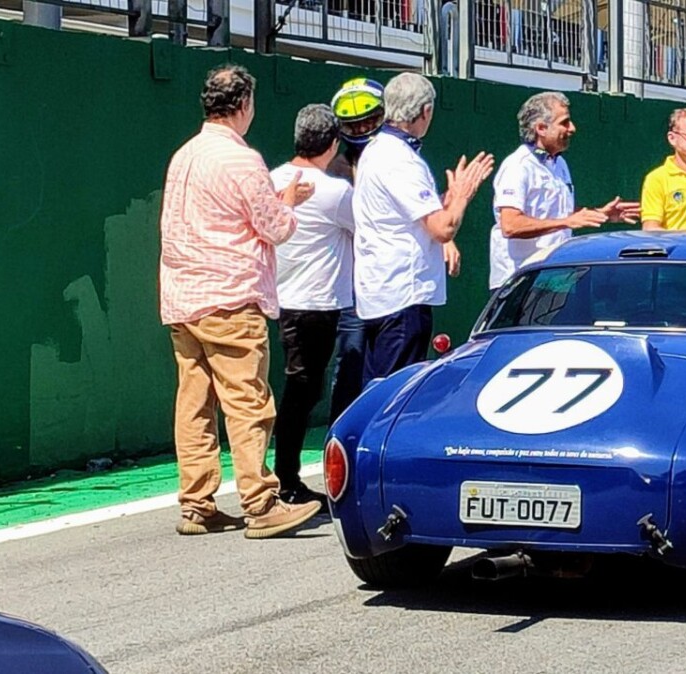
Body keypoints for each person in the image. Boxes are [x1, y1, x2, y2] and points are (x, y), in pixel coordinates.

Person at [159, 64, 322, 538]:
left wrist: (276, 198)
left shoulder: (184, 155)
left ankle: (197, 504)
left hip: (183, 296)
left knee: (194, 404)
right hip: (231, 294)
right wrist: (288, 202)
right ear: (245, 105)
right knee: (248, 400)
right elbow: (275, 227)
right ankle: (260, 502)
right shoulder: (242, 159)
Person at [352, 72, 494, 381]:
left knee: (381, 387)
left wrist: (449, 197)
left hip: (383, 292)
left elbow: (410, 212)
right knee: (395, 393)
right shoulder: (400, 159)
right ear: (425, 112)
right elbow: (443, 228)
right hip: (403, 295)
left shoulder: (377, 150)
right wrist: (463, 195)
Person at [269, 104, 355, 511]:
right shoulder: (335, 190)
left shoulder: (273, 178)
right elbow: (365, 223)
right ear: (332, 143)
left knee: (302, 388)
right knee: (302, 390)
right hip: (315, 303)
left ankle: (286, 475)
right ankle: (286, 478)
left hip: (287, 299)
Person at [489, 91, 640, 290]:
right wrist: (566, 222)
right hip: (522, 280)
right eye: (565, 123)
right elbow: (510, 224)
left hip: (556, 277)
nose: (572, 129)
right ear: (541, 128)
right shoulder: (518, 166)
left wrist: (599, 214)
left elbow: (556, 213)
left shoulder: (559, 163)